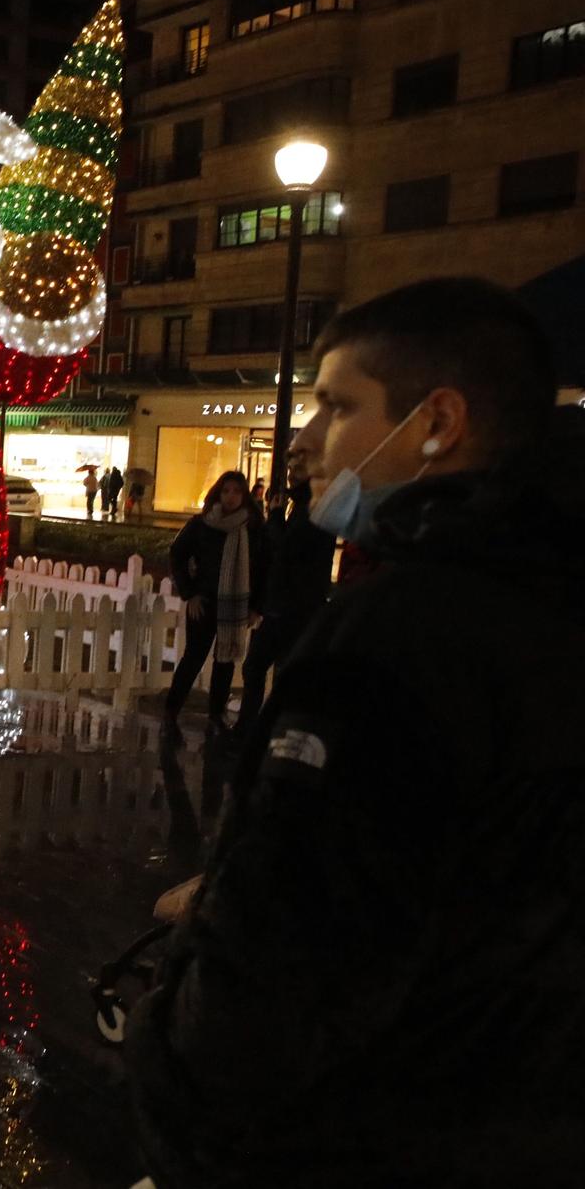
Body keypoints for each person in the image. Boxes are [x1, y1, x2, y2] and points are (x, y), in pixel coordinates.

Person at [128, 278, 585, 1185]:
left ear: (435, 423)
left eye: (336, 405)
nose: (303, 440)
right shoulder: (547, 598)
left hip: (357, 1135)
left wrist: (166, 1061)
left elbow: (294, 958)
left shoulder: (403, 632)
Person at [232, 464, 335, 741]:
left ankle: (261, 731)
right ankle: (259, 729)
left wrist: (275, 515)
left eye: (298, 469)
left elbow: (287, 548)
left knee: (264, 668)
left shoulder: (313, 510)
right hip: (289, 606)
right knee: (262, 668)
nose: (290, 474)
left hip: (292, 608)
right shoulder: (308, 507)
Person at [161, 471, 267, 735]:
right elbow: (178, 554)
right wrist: (190, 593)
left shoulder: (252, 528)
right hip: (205, 601)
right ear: (218, 493)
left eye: (236, 492)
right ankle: (170, 714)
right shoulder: (202, 524)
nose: (231, 497)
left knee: (225, 661)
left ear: (245, 496)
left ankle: (215, 715)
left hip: (235, 605)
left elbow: (262, 568)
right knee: (193, 658)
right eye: (226, 491)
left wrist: (256, 606)